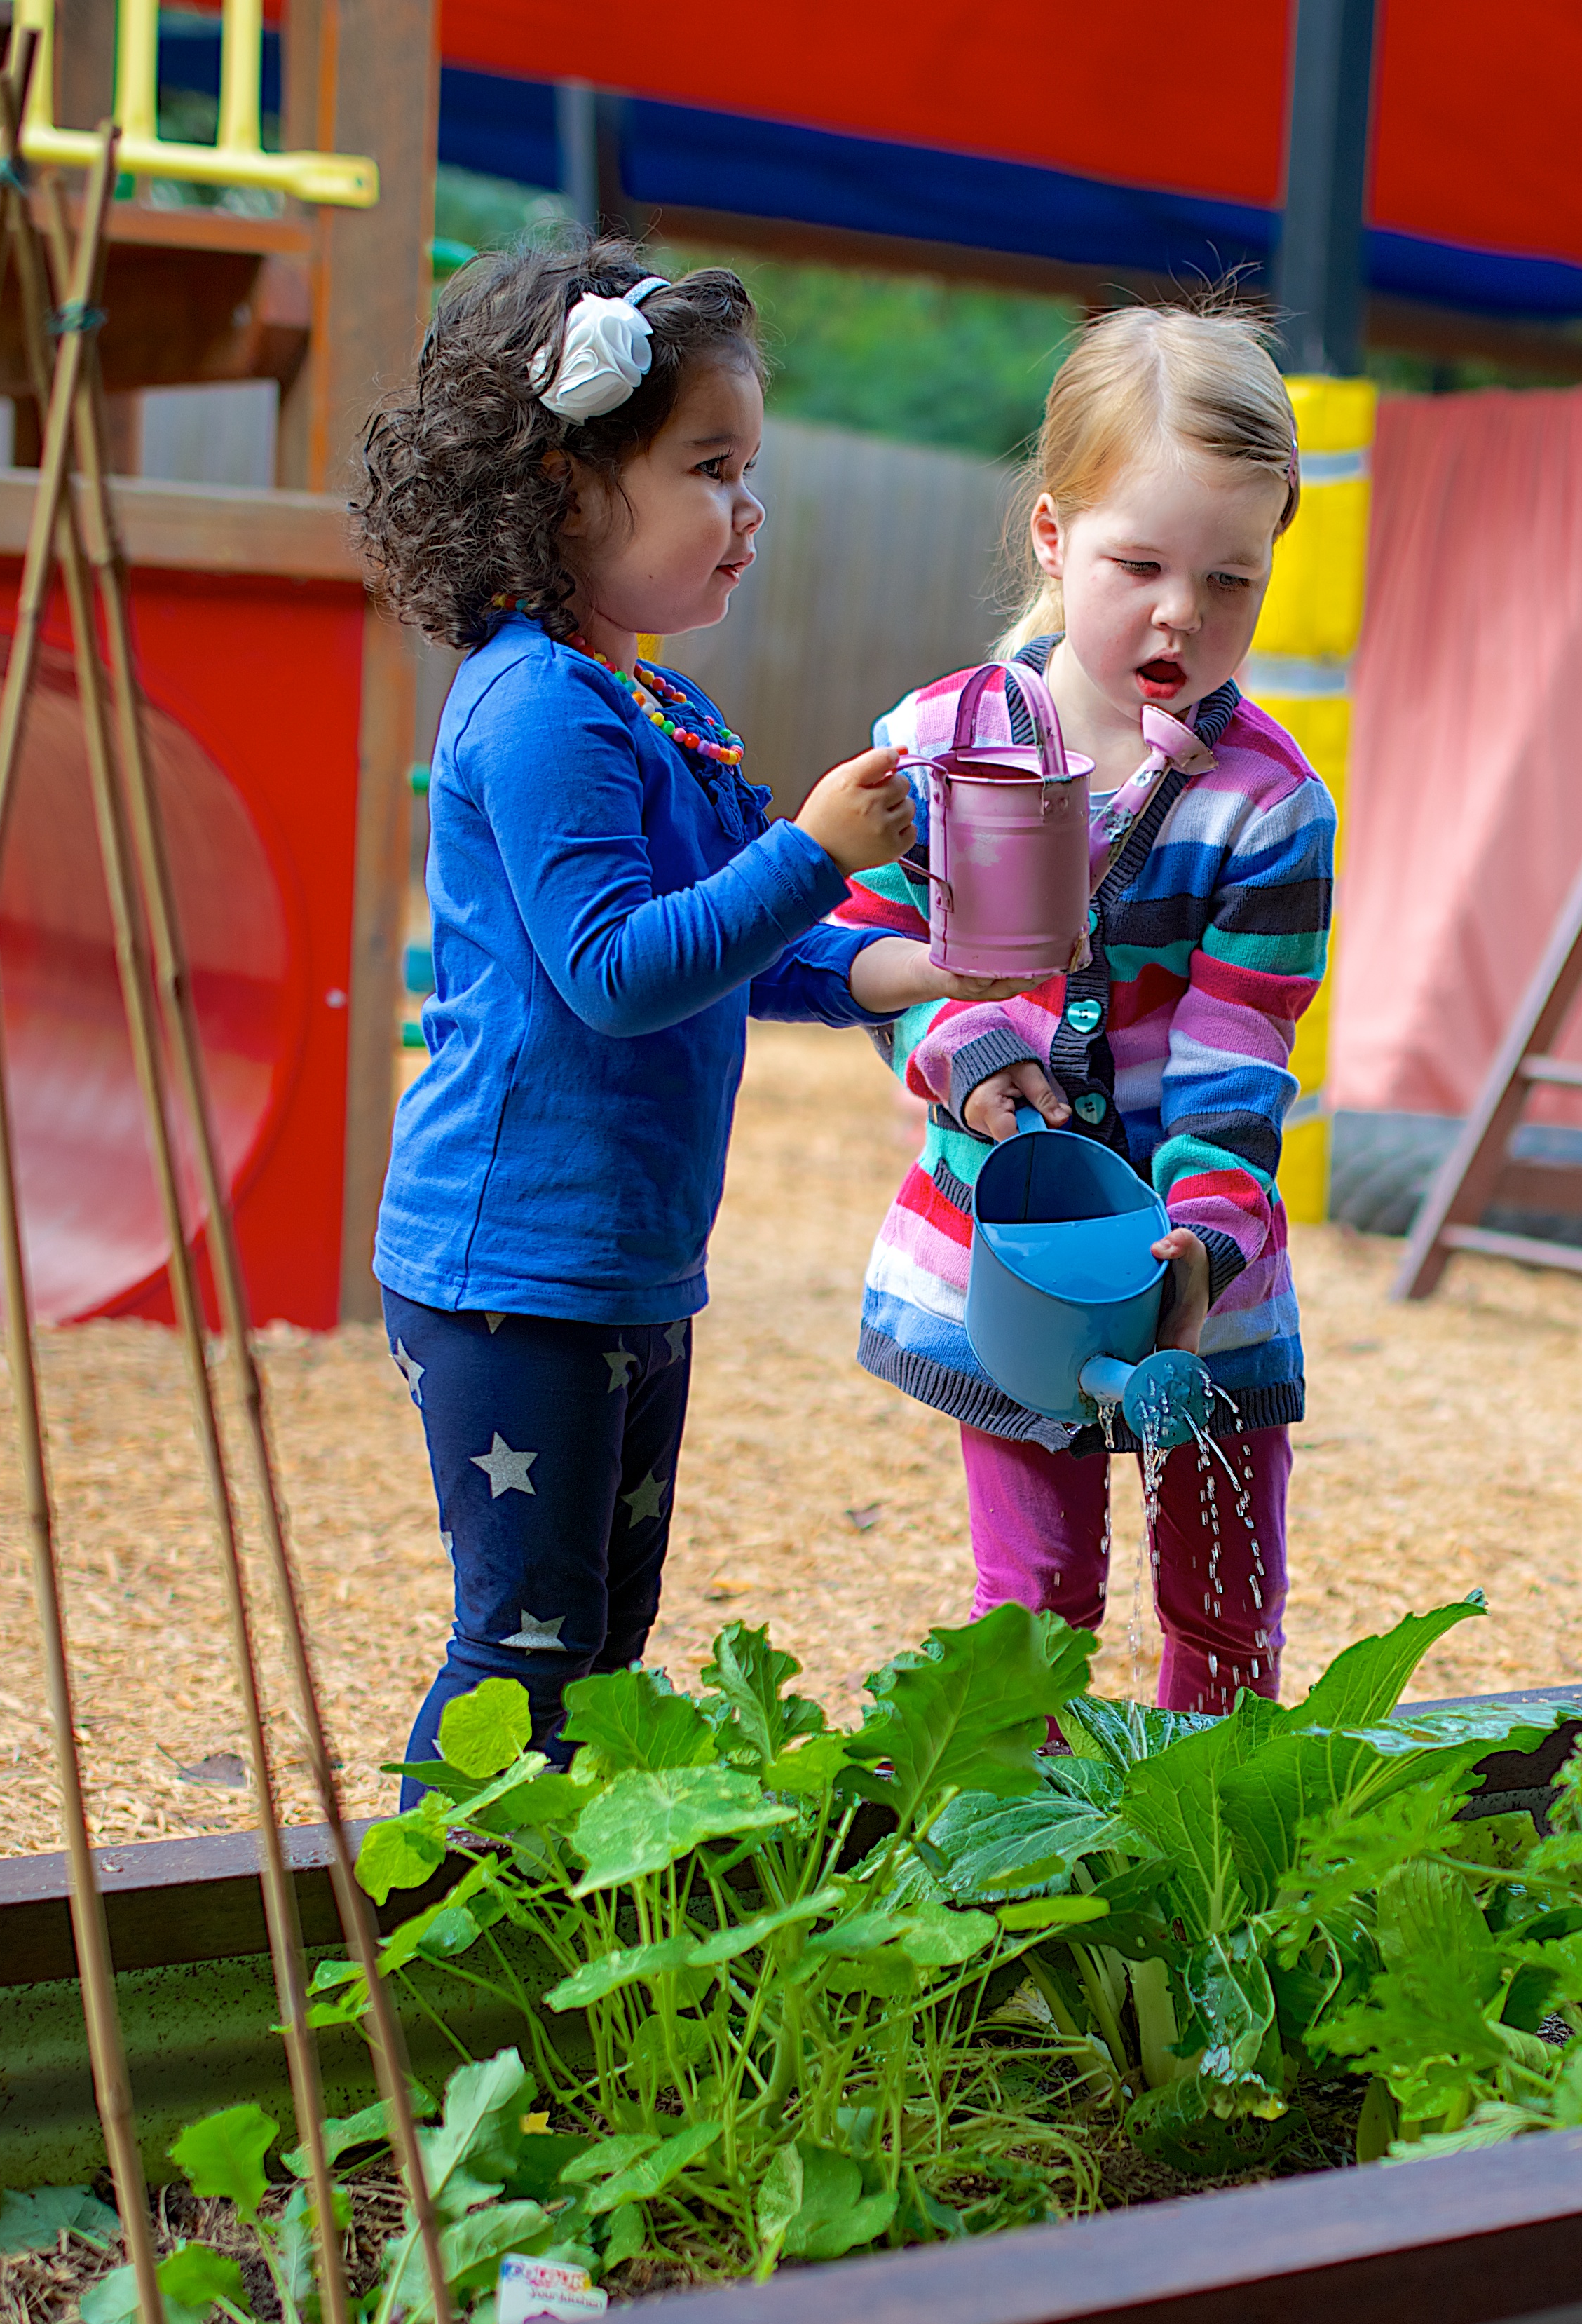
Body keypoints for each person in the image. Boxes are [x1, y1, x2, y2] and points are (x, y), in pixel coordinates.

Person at [350, 243, 971, 1766]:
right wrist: (813, 851)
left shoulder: (650, 697)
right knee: (524, 1657)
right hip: (515, 1266)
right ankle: (420, 1940)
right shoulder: (541, 707)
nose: (748, 508)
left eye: (747, 465)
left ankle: (556, 1940)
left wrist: (929, 967)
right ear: (562, 485)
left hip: (621, 1266)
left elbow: (735, 943)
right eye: (710, 465)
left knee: (603, 1654)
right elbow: (621, 971)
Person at [817, 297, 1335, 1713]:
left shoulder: (1269, 809)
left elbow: (1243, 1045)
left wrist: (1208, 1241)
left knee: (1227, 1597)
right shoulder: (944, 746)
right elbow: (869, 933)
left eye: (1231, 580)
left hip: (1196, 1253)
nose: (1184, 612)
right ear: (1054, 537)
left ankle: (1208, 1839)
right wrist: (967, 1048)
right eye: (1141, 564)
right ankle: (1026, 1877)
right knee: (1032, 1603)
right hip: (1017, 1250)